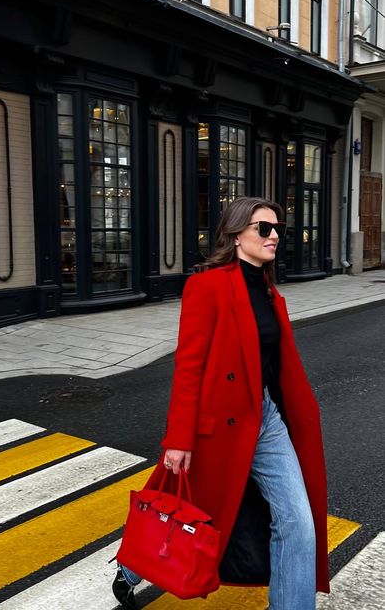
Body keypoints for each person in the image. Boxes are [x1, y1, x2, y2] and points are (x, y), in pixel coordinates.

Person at [113, 197, 330, 610]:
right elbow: (188, 367)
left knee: (298, 522)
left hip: (265, 417)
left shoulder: (268, 292)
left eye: (277, 228)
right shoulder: (206, 286)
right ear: (235, 236)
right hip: (217, 424)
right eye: (263, 228)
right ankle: (132, 565)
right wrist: (179, 438)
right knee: (185, 505)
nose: (275, 236)